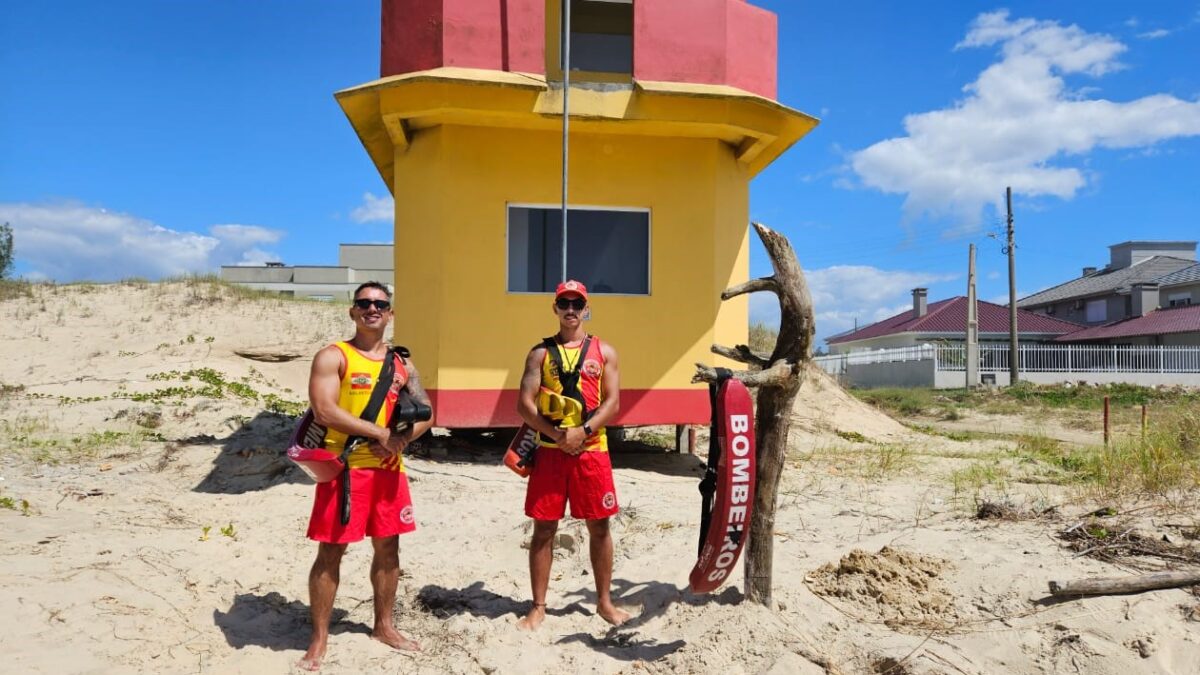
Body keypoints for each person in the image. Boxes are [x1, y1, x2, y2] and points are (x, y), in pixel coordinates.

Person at [299, 281, 433, 671]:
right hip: (344, 469)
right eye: (364, 303)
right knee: (330, 552)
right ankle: (319, 638)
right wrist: (379, 434)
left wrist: (401, 441)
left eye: (380, 304)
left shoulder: (402, 364)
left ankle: (384, 626)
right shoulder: (333, 356)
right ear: (353, 311)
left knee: (388, 550)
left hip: (389, 471)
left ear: (390, 313)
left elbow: (428, 412)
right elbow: (324, 410)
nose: (372, 309)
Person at [516, 279, 632, 630]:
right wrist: (555, 434)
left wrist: (583, 431)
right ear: (555, 308)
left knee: (600, 526)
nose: (570, 310)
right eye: (564, 304)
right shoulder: (539, 353)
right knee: (544, 528)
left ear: (586, 308)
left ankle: (604, 602)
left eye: (576, 304)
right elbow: (524, 404)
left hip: (592, 451)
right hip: (550, 453)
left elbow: (612, 402)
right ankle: (538, 606)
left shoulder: (604, 351)